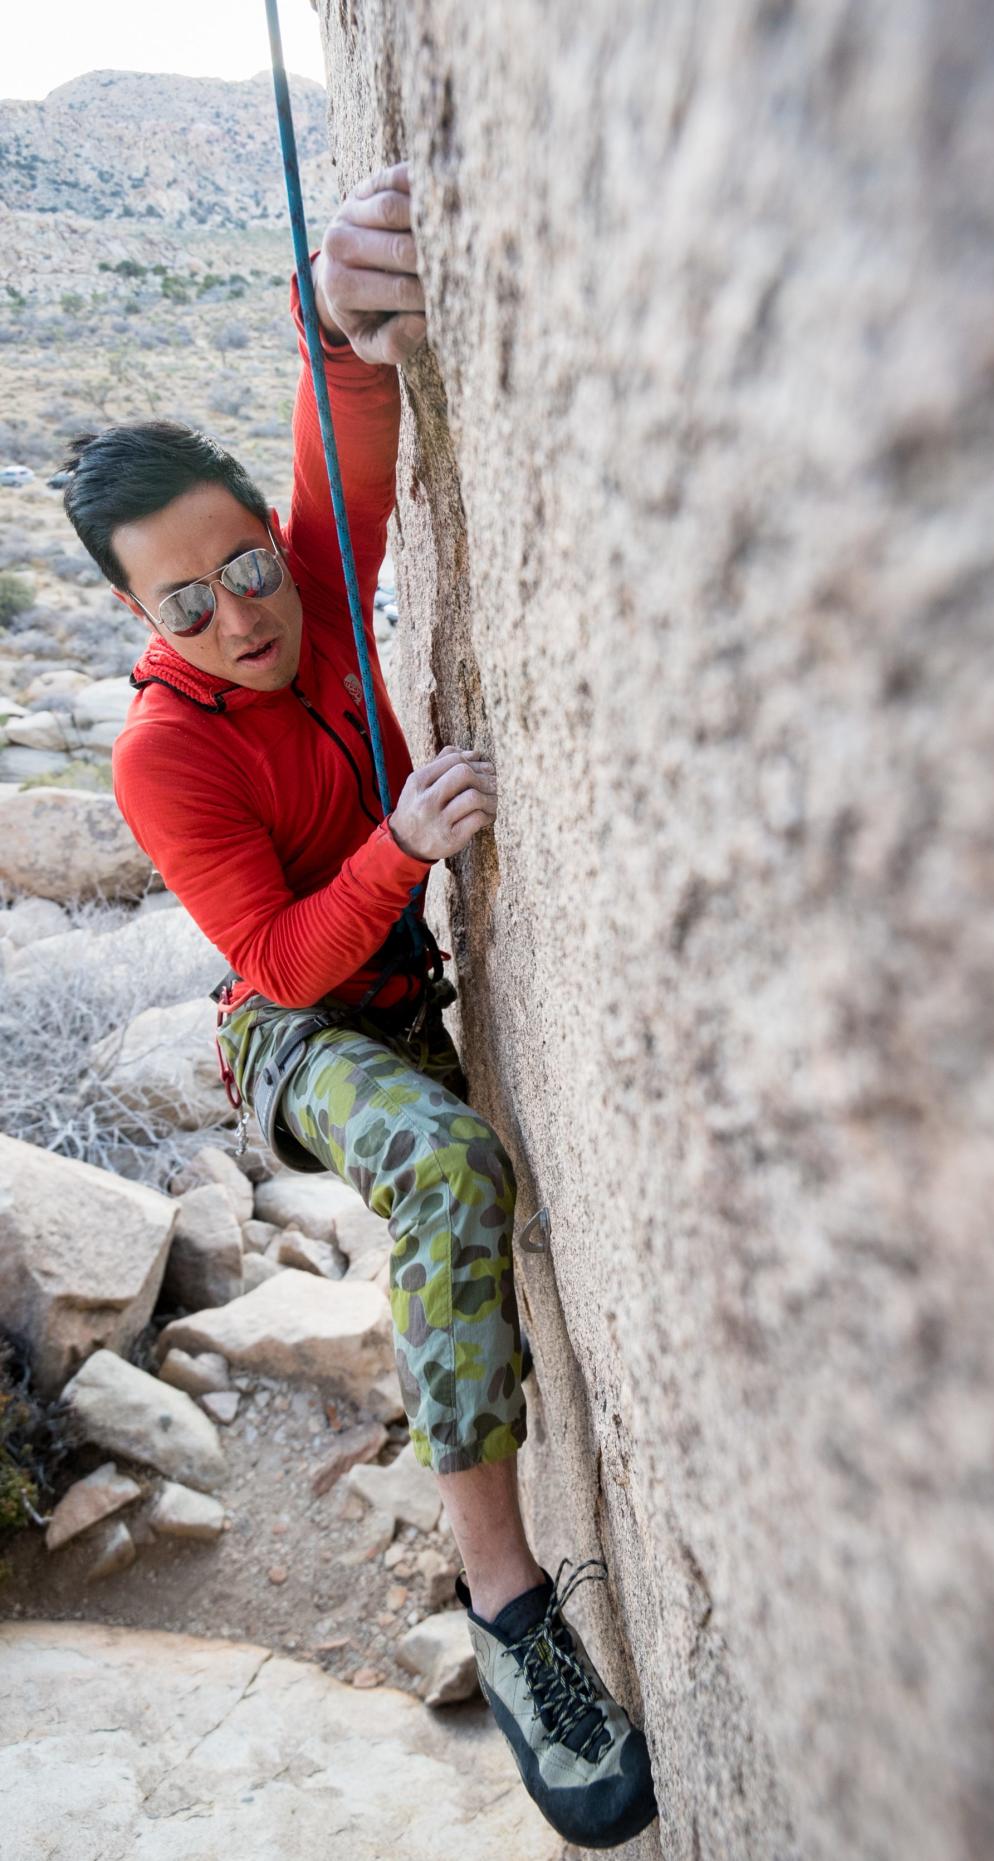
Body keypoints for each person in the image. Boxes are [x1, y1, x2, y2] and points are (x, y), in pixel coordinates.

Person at [60, 161, 657, 1852]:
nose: (240, 616)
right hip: (302, 1029)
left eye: (247, 564)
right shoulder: (165, 749)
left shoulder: (305, 588)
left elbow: (347, 413)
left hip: (395, 970)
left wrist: (338, 307)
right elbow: (289, 963)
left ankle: (468, 1430)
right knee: (451, 1169)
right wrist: (401, 846)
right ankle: (509, 1601)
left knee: (462, 1191)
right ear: (135, 617)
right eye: (184, 602)